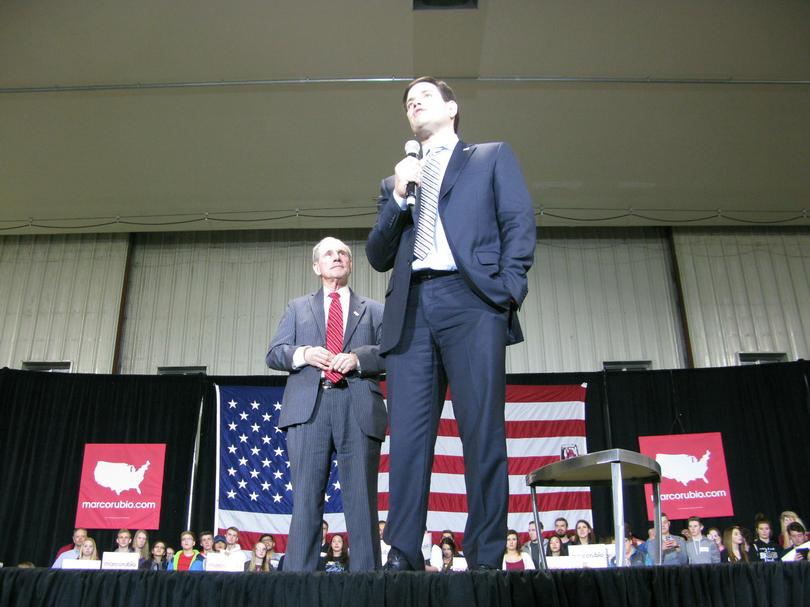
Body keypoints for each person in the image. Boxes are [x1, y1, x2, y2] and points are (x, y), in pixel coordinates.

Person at [366, 76, 536, 572]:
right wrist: (399, 196)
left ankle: (485, 554)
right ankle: (403, 550)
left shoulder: (490, 157)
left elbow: (519, 224)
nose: (414, 103)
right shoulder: (394, 182)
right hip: (411, 308)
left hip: (473, 301)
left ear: (453, 107)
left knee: (481, 429)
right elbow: (377, 255)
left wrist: (506, 290)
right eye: (408, 102)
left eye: (424, 97)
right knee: (410, 436)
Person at [267, 236, 386, 572]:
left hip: (358, 404)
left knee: (361, 501)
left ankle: (366, 583)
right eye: (330, 254)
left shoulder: (374, 309)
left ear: (350, 264)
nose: (338, 257)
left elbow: (392, 352)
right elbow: (274, 354)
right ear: (316, 266)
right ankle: (297, 582)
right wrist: (303, 354)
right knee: (306, 499)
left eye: (344, 253)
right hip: (309, 410)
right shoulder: (297, 308)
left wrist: (358, 358)